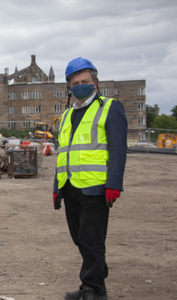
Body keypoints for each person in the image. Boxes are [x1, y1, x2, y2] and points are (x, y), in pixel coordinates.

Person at [53, 57, 127, 300]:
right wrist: (57, 187)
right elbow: (63, 154)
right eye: (75, 82)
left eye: (85, 80)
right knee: (80, 239)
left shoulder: (109, 107)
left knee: (91, 239)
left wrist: (114, 184)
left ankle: (92, 290)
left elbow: (118, 149)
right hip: (71, 187)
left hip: (96, 188)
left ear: (95, 82)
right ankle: (96, 283)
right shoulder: (66, 116)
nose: (80, 85)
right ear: (69, 87)